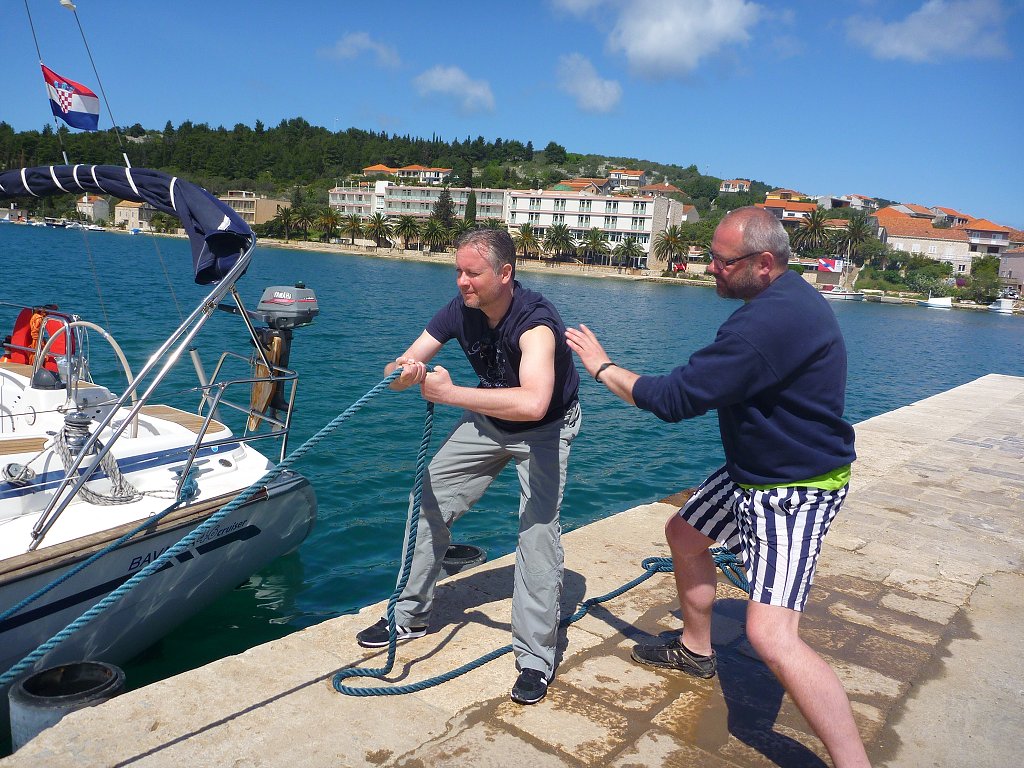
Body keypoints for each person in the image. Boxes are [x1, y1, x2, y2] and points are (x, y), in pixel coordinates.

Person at [565, 207, 870, 767]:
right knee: (684, 535)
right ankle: (696, 650)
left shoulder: (764, 326)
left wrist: (603, 367)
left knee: (772, 637)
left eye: (722, 261)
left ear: (763, 263)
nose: (710, 268)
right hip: (754, 469)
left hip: (793, 487)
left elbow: (673, 399)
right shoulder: (788, 298)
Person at [356, 228, 581, 706]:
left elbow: (535, 402)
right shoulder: (459, 310)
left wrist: (450, 394)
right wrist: (405, 374)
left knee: (537, 533)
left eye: (472, 273)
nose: (461, 281)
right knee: (428, 500)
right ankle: (408, 616)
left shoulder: (536, 323)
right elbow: (394, 371)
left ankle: (535, 658)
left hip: (545, 429)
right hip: (488, 421)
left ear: (505, 273)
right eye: (457, 271)